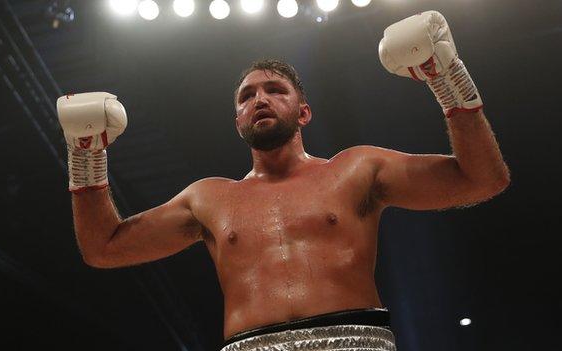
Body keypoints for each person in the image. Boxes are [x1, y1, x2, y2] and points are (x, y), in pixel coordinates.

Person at [56, 11, 509, 351]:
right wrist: (86, 159)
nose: (260, 99)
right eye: (247, 96)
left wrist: (449, 80)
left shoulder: (356, 169)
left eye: (275, 90)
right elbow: (104, 247)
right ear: (237, 121)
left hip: (354, 339)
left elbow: (482, 179)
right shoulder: (208, 197)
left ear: (304, 112)